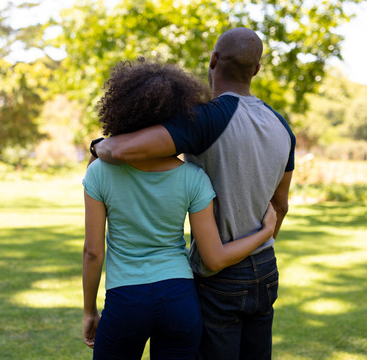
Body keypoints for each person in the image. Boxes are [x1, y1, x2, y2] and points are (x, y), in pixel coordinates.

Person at [92, 28, 296, 360]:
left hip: (220, 278)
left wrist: (96, 146)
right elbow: (280, 205)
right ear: (257, 70)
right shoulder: (281, 125)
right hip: (265, 268)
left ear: (213, 60)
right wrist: (263, 239)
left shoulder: (207, 118)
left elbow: (120, 150)